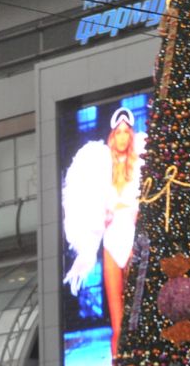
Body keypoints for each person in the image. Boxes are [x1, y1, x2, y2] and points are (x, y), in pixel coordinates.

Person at [61, 105, 146, 347]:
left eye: (126, 132)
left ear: (131, 135)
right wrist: (102, 216)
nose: (122, 137)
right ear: (112, 136)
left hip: (131, 239)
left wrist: (137, 213)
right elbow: (88, 203)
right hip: (111, 242)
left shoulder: (139, 165)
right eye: (118, 132)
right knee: (117, 324)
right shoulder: (100, 167)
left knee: (135, 314)